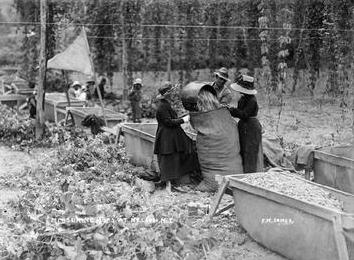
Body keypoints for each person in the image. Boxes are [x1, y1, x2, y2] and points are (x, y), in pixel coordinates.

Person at [153, 83, 199, 192]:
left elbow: (171, 119)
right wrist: (184, 119)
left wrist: (183, 117)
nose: (173, 94)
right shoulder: (162, 106)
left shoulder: (166, 104)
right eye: (171, 92)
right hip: (167, 136)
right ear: (167, 94)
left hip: (172, 134)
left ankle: (176, 181)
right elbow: (168, 122)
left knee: (176, 156)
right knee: (169, 158)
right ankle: (168, 184)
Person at [228, 74, 263, 173]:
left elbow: (244, 114)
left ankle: (250, 173)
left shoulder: (252, 100)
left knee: (250, 151)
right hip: (243, 126)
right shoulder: (242, 99)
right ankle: (243, 172)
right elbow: (239, 113)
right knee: (243, 149)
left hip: (251, 127)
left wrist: (231, 110)